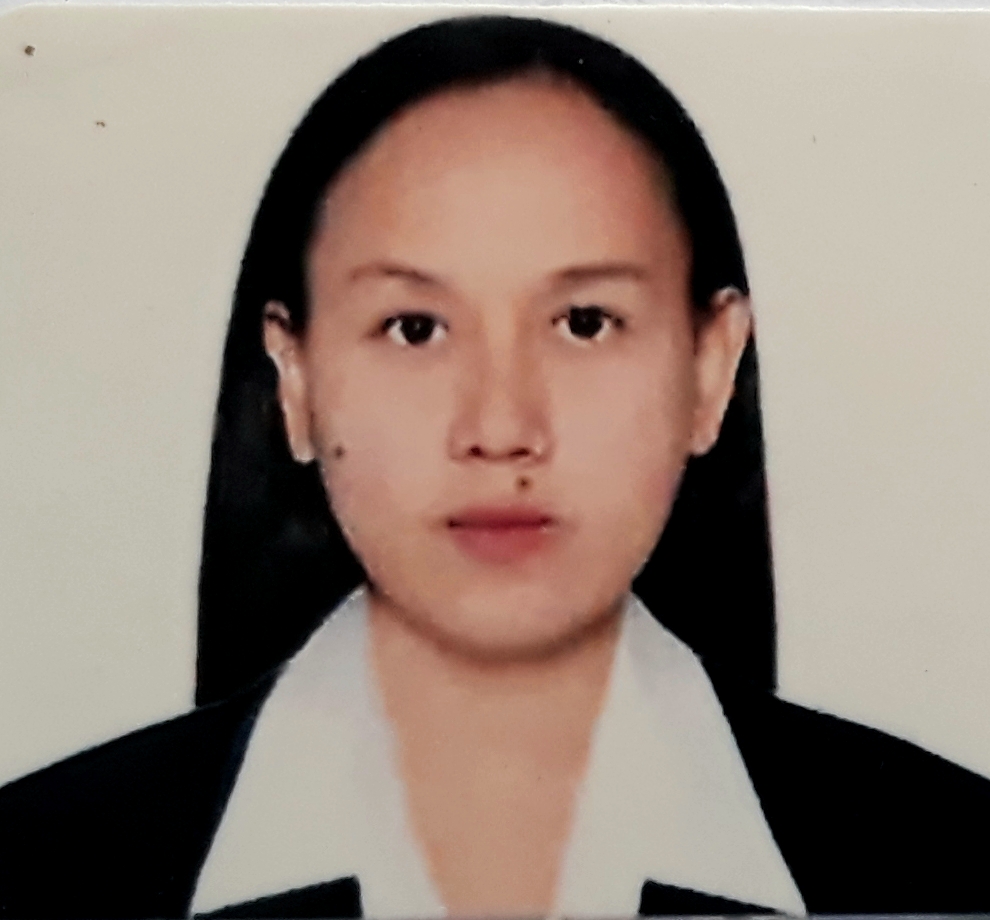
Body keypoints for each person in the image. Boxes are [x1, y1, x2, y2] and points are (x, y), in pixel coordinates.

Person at [2, 15, 990, 920]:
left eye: (585, 322)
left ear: (709, 368)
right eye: (414, 327)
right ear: (295, 379)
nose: (501, 427)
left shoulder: (952, 862)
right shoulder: (35, 870)